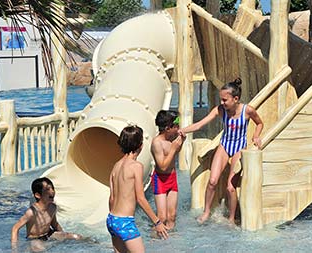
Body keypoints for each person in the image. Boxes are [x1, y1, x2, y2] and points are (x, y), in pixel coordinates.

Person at [179, 78, 263, 225]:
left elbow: (260, 123)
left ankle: (231, 218)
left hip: (239, 147)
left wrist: (256, 136)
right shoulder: (220, 110)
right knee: (212, 181)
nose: (222, 103)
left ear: (235, 99)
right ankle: (206, 212)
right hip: (224, 145)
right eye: (221, 99)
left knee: (230, 188)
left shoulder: (247, 110)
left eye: (225, 100)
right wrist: (182, 130)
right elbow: (200, 124)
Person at [107, 125, 169, 253]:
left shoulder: (116, 166)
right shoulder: (136, 166)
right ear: (140, 145)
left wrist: (114, 221)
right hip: (125, 222)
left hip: (112, 219)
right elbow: (140, 198)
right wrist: (157, 222)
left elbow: (112, 198)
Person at [11, 177, 82, 250]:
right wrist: (14, 248)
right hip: (35, 239)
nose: (52, 191)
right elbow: (15, 228)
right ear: (38, 195)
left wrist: (63, 234)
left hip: (49, 234)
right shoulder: (31, 212)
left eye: (52, 188)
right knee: (39, 248)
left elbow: (54, 224)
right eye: (48, 189)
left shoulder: (53, 207)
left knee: (76, 237)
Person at [150, 110, 185, 230]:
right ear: (167, 128)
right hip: (160, 180)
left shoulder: (171, 139)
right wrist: (174, 148)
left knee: (172, 216)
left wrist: (182, 142)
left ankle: (170, 243)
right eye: (176, 126)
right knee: (162, 217)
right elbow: (163, 166)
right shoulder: (157, 143)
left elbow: (176, 152)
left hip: (172, 178)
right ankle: (154, 239)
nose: (179, 128)